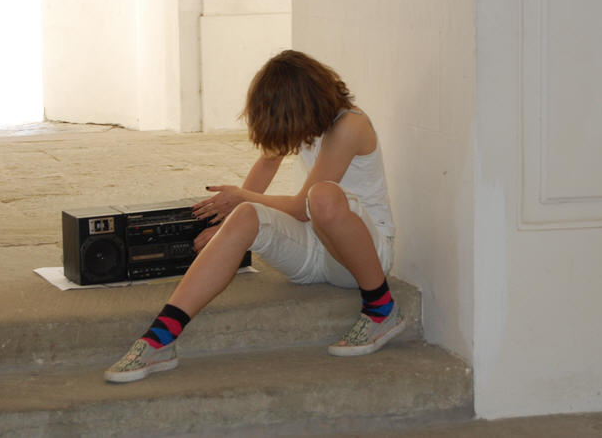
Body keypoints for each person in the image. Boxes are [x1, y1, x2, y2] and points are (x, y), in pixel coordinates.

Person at [104, 50, 403, 383]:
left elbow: (302, 207)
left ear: (304, 104)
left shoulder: (350, 125)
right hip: (317, 251)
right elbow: (268, 161)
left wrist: (240, 196)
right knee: (246, 215)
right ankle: (159, 339)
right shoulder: (309, 121)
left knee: (322, 196)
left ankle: (381, 310)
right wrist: (228, 227)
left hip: (365, 255)